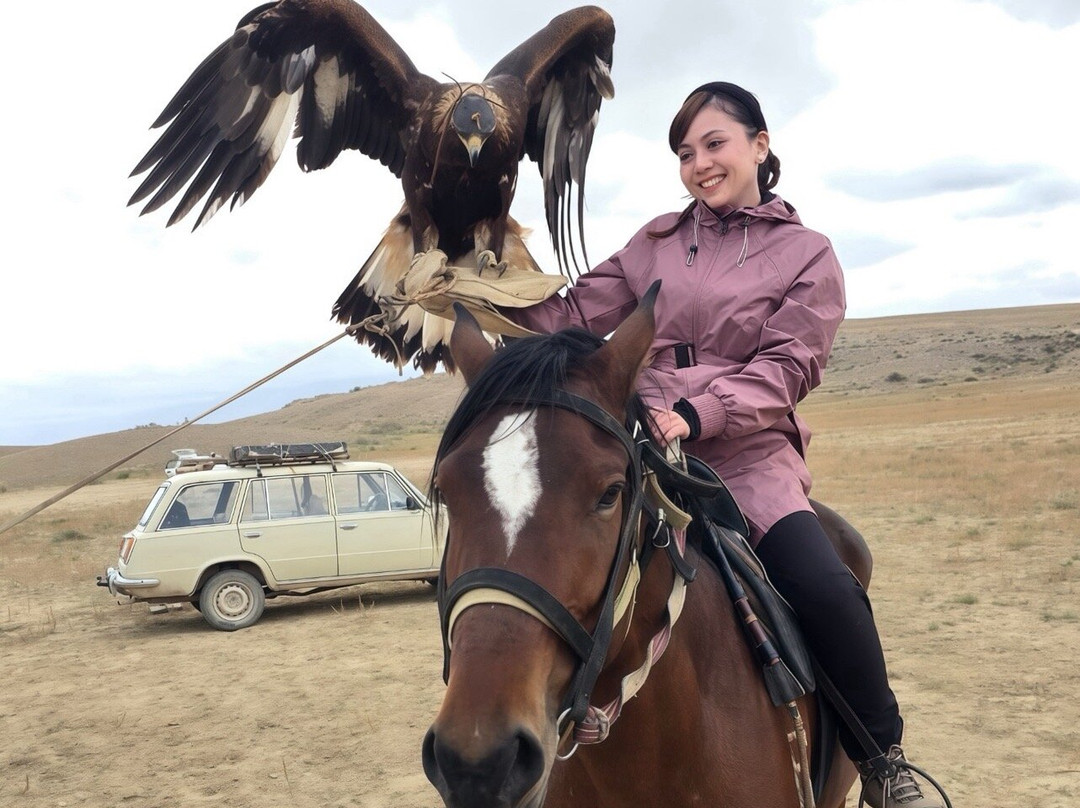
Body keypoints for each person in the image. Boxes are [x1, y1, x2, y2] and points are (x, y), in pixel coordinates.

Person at [501, 82, 945, 808]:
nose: (699, 164)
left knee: (827, 587)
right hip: (647, 449)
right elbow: (575, 314)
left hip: (748, 460)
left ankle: (884, 758)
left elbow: (789, 365)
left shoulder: (807, 255)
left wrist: (698, 411)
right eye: (685, 153)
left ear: (759, 147)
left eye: (714, 144)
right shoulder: (655, 244)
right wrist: (479, 289)